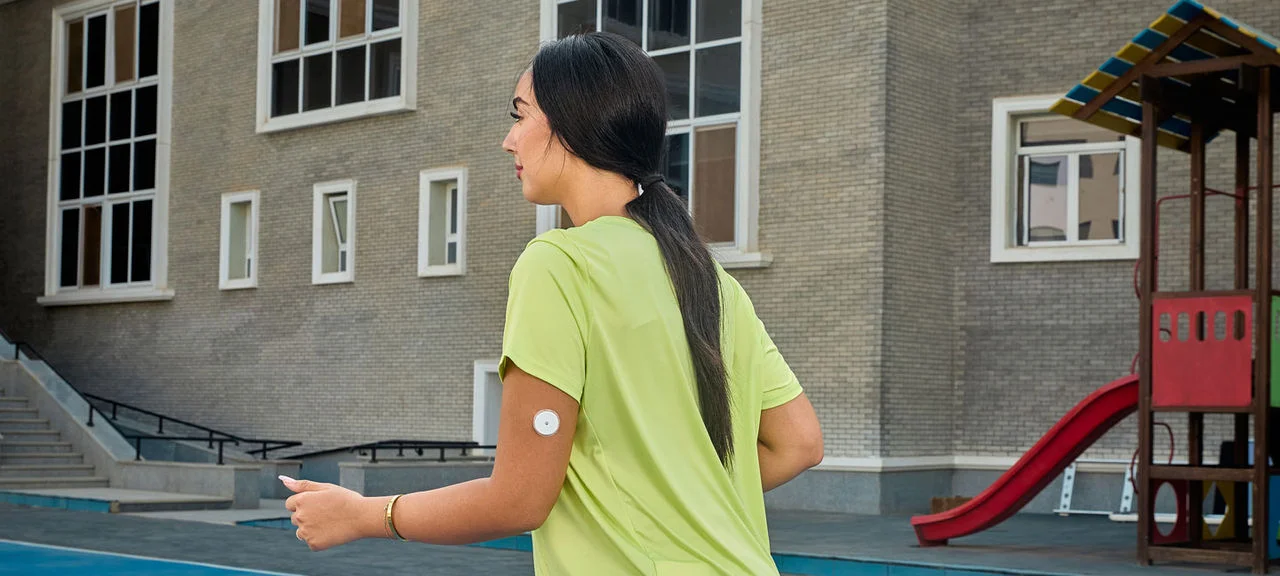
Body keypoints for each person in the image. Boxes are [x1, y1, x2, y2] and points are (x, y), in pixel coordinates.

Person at [282, 31, 824, 575]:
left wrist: (362, 514)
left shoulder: (559, 266)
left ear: (570, 124)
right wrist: (670, 498)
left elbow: (518, 500)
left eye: (519, 116)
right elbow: (797, 444)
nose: (508, 141)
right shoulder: (713, 280)